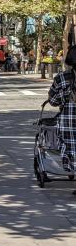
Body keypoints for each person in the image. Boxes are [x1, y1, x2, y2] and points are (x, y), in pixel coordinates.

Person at [47, 46, 76, 179]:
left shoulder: (62, 78)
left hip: (68, 123)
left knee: (70, 148)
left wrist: (64, 95)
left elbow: (52, 100)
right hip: (68, 123)